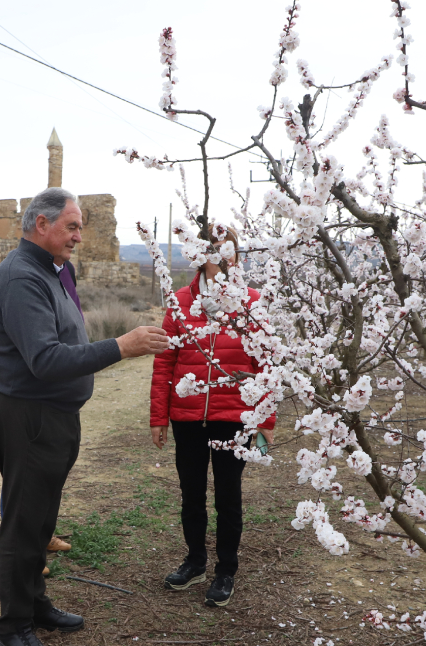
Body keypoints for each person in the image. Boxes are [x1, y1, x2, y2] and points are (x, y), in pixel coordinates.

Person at [0, 187, 169, 646]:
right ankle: (13, 627)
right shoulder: (21, 277)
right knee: (24, 522)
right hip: (28, 414)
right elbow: (45, 360)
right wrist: (120, 346)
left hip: (53, 414)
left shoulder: (53, 269)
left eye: (80, 228)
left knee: (42, 519)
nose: (79, 237)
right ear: (41, 224)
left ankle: (35, 604)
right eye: (72, 227)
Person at [149, 226, 274, 608]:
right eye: (214, 248)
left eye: (228, 248)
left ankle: (226, 570)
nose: (222, 255)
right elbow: (165, 361)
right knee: (191, 494)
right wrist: (158, 416)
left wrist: (265, 422)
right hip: (187, 417)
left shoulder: (251, 302)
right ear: (200, 254)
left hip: (234, 417)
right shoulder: (180, 302)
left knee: (228, 496)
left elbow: (267, 366)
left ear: (237, 255)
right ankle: (195, 561)